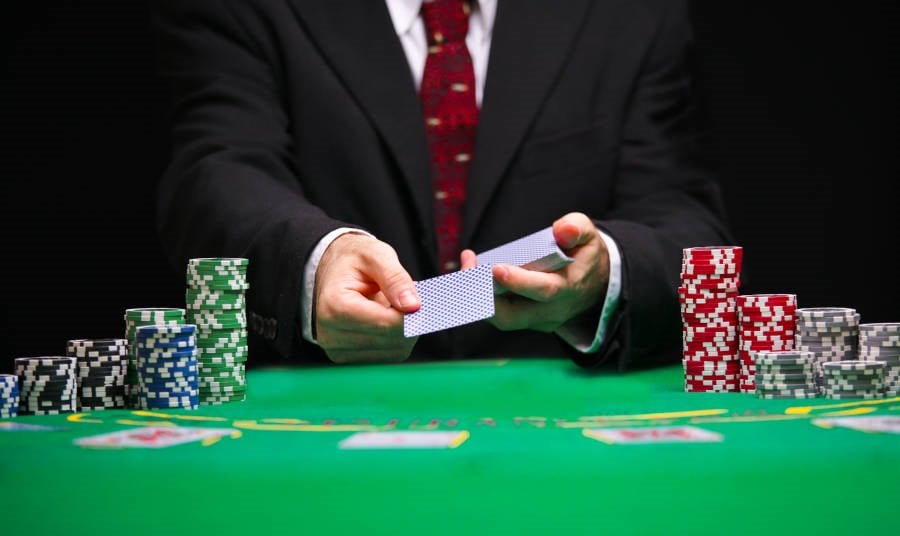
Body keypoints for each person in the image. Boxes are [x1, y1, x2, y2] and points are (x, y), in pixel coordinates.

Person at [153, 0, 733, 370]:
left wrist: (605, 268)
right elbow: (217, 174)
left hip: (560, 457)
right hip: (314, 447)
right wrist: (315, 260)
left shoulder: (631, 14)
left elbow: (687, 227)